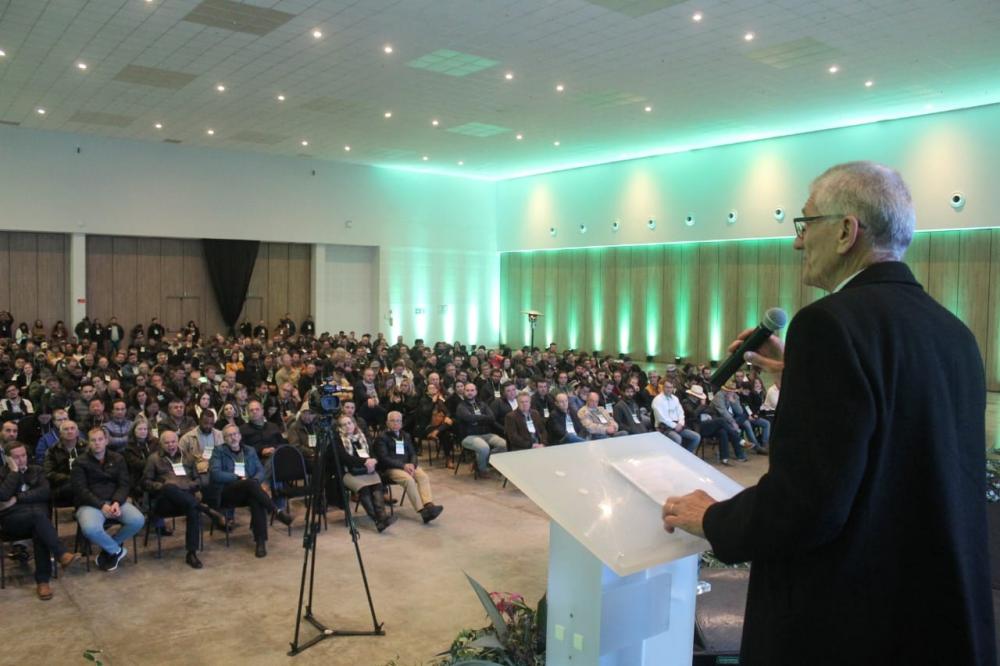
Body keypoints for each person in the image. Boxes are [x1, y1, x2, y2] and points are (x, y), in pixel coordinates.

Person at [662, 161, 995, 664]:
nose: (797, 241)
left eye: (805, 223)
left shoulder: (827, 325)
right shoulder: (954, 333)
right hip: (931, 613)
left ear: (845, 231)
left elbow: (806, 504)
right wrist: (798, 372)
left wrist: (713, 517)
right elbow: (899, 442)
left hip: (851, 621)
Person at [1, 441, 82, 599]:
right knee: (40, 518)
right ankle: (61, 554)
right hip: (12, 522)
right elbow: (3, 496)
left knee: (40, 529)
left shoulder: (36, 470)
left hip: (37, 520)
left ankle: (43, 582)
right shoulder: (2, 474)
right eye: (16, 457)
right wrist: (14, 472)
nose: (21, 459)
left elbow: (45, 493)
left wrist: (17, 498)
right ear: (7, 459)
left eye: (23, 455)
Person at [143, 430, 225, 569]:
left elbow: (198, 479)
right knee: (169, 487)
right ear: (161, 444)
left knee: (192, 509)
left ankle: (191, 553)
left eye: (173, 441)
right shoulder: (154, 459)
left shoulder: (187, 457)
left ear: (178, 441)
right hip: (165, 501)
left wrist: (186, 485)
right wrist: (162, 486)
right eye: (167, 442)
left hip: (187, 498)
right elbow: (145, 482)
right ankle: (206, 509)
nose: (171, 445)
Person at [209, 424, 291, 558]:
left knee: (256, 498)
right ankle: (276, 510)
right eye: (229, 435)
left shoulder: (249, 450)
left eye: (235, 434)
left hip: (250, 489)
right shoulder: (218, 451)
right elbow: (215, 474)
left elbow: (260, 470)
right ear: (224, 439)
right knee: (250, 485)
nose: (233, 437)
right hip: (228, 492)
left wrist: (254, 481)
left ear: (240, 436)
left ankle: (260, 542)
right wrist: (237, 477)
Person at [71, 427, 145, 571]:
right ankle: (116, 550)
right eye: (93, 440)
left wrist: (117, 502)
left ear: (106, 441)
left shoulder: (118, 458)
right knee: (90, 529)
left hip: (115, 502)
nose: (97, 443)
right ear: (89, 443)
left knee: (138, 520)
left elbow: (124, 484)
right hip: (90, 504)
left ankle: (109, 547)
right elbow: (80, 490)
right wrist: (101, 505)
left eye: (100, 439)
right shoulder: (79, 462)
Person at [373, 411, 442, 523]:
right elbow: (383, 458)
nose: (396, 423)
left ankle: (429, 504)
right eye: (393, 421)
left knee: (423, 476)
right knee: (408, 480)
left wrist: (413, 465)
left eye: (398, 421)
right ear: (387, 423)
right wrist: (403, 465)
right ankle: (422, 511)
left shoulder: (405, 435)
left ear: (402, 423)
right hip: (391, 468)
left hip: (408, 466)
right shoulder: (382, 438)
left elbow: (413, 453)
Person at [331, 414, 396, 532]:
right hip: (349, 472)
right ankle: (378, 520)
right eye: (343, 424)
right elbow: (345, 458)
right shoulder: (337, 440)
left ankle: (382, 518)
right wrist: (365, 462)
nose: (347, 426)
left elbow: (372, 453)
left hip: (367, 470)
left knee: (377, 486)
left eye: (349, 423)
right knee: (364, 489)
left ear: (354, 424)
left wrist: (373, 462)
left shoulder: (362, 436)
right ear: (339, 427)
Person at [454, 383, 507, 477]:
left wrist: (477, 419)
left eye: (472, 390)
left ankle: (480, 461)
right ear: (464, 392)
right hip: (468, 436)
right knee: (484, 448)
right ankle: (482, 470)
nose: (470, 393)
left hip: (486, 434)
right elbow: (469, 418)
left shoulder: (482, 404)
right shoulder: (461, 406)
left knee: (504, 444)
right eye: (467, 390)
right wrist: (483, 418)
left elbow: (492, 418)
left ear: (476, 392)